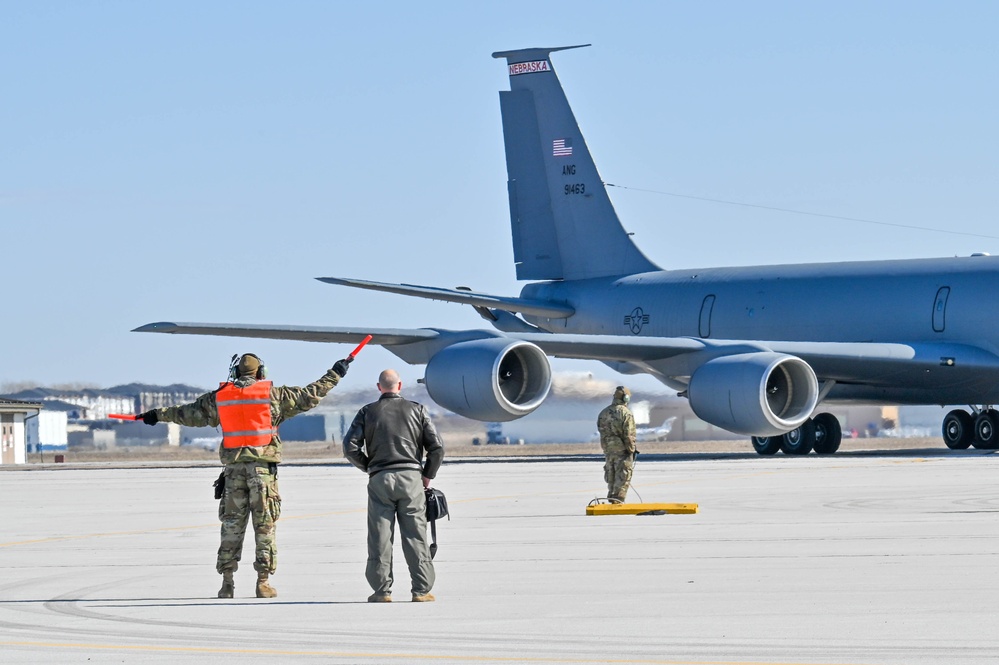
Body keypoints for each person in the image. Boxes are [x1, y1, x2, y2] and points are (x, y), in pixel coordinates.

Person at [138, 352, 351, 599]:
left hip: (234, 472)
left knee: (231, 526)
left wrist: (156, 414)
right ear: (261, 373)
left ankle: (227, 583)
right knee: (265, 526)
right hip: (262, 473)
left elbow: (186, 413)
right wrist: (336, 373)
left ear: (236, 373)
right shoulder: (274, 395)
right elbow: (311, 394)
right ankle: (263, 582)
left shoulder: (219, 398)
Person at [343, 369, 444, 603]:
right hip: (411, 479)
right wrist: (428, 475)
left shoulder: (367, 412)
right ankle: (421, 590)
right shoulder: (417, 410)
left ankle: (381, 591)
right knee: (415, 535)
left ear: (379, 387)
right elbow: (436, 448)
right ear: (399, 386)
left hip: (380, 479)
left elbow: (350, 447)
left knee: (379, 536)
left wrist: (369, 466)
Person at [596, 385, 637, 503]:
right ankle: (618, 498)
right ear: (626, 398)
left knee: (611, 472)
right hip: (622, 449)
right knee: (623, 473)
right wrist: (631, 449)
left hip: (608, 449)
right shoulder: (626, 413)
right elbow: (629, 435)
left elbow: (601, 431)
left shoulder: (603, 413)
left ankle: (611, 494)